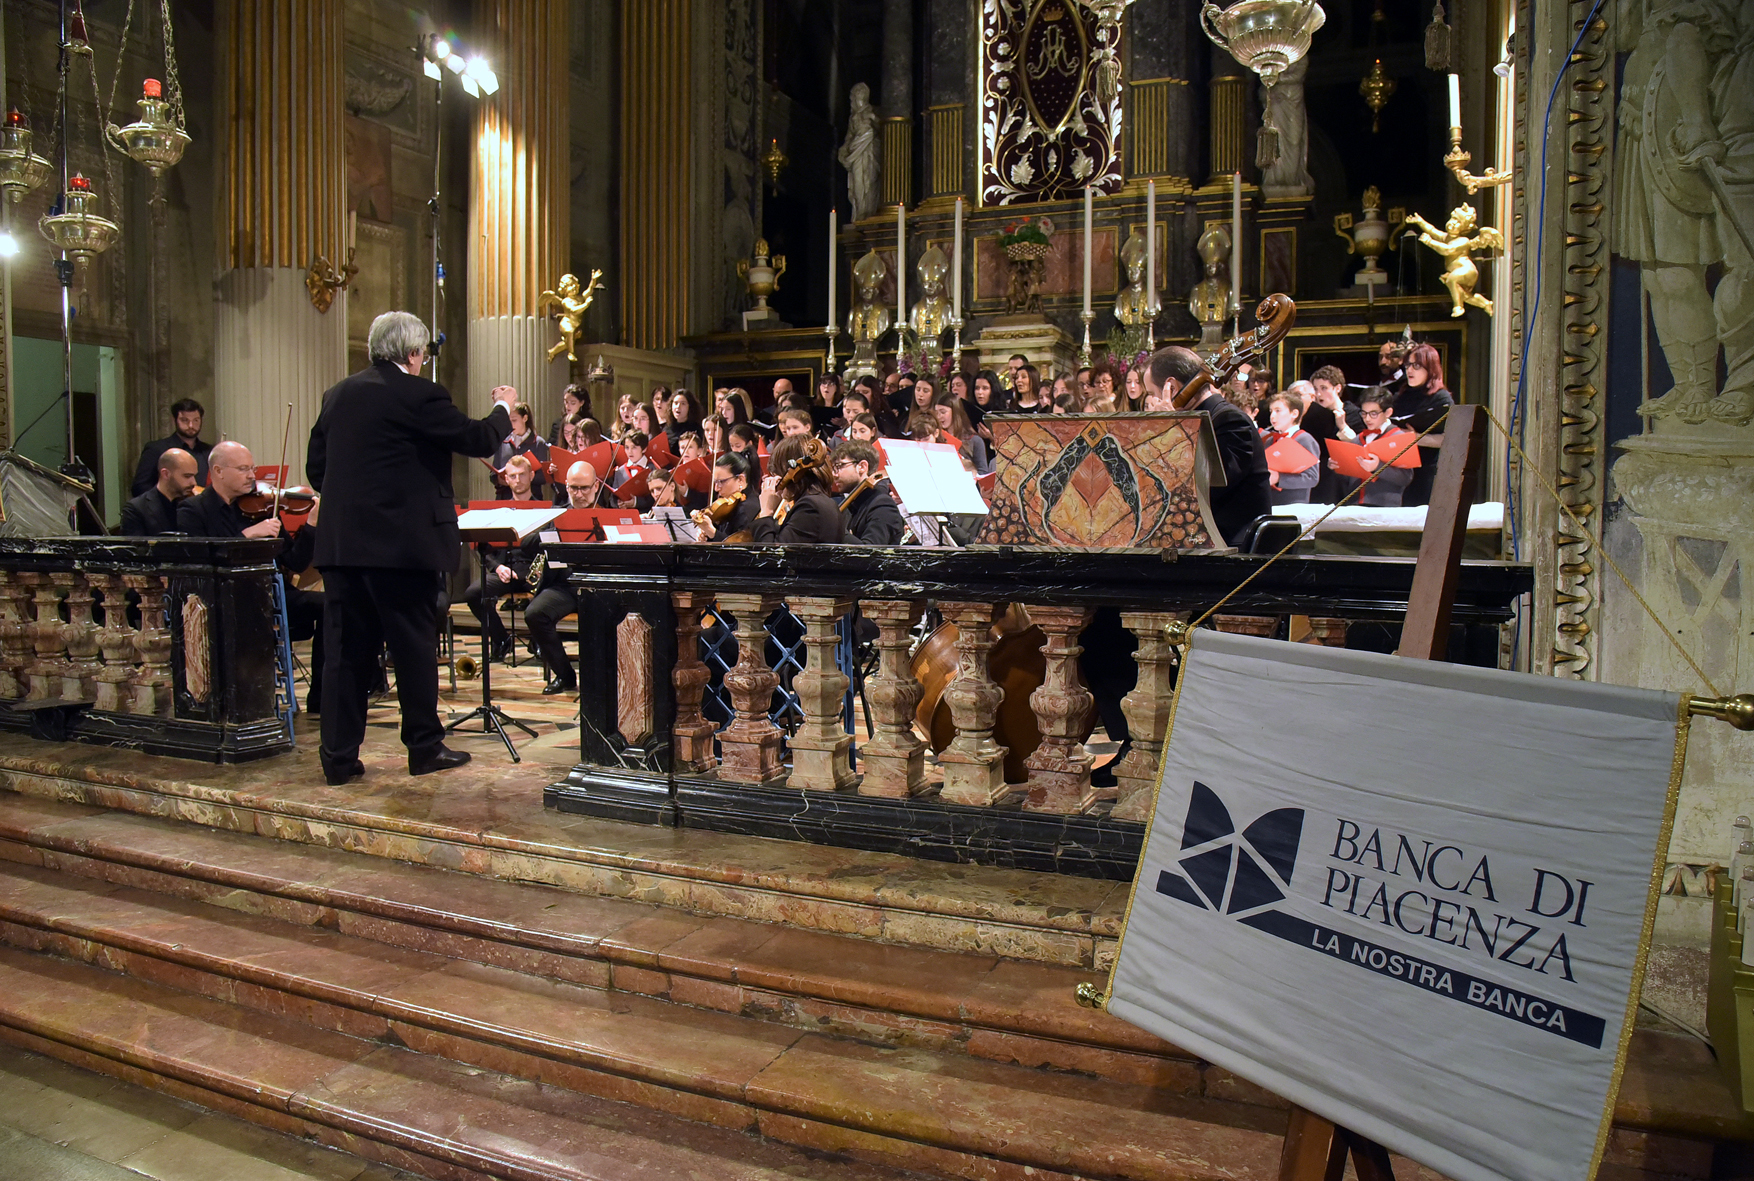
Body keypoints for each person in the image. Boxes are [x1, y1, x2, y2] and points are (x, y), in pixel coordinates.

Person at [307, 309, 516, 785]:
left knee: (344, 654)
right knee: (413, 648)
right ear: (415, 352)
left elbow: (317, 468)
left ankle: (338, 759)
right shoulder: (420, 393)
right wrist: (504, 408)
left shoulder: (337, 394)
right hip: (402, 550)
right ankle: (424, 748)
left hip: (342, 548)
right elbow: (477, 437)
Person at [178, 440, 325, 713]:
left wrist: (312, 525)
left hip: (272, 595)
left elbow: (295, 561)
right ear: (218, 471)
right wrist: (245, 536)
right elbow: (199, 560)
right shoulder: (193, 510)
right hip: (225, 602)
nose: (251, 476)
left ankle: (321, 696)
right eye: (243, 469)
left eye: (252, 469)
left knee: (332, 605)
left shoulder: (261, 507)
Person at [1146, 347, 1270, 546]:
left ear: (1172, 388)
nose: (1152, 403)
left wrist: (1171, 427)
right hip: (1196, 539)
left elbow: (1206, 487)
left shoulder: (1229, 420)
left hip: (1231, 543)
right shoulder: (1201, 418)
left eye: (1153, 394)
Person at [464, 455, 541, 663]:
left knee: (549, 592)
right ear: (506, 479)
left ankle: (539, 640)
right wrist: (497, 567)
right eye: (512, 476)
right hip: (505, 570)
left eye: (522, 475)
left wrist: (536, 571)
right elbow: (483, 547)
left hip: (534, 572)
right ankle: (501, 639)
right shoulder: (498, 512)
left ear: (532, 475)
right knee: (474, 593)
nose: (518, 480)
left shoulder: (544, 510)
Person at [751, 434, 849, 544]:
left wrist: (766, 511)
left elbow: (770, 553)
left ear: (788, 471)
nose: (776, 480)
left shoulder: (810, 507)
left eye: (777, 474)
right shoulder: (818, 501)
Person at [1389, 344, 1454, 507]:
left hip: (1428, 470)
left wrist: (1416, 438)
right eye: (1407, 365)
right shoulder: (1400, 396)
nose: (1409, 370)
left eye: (1416, 366)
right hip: (1401, 469)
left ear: (1430, 368)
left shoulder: (1441, 398)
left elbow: (1451, 439)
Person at [1340, 393, 1415, 507]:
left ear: (1388, 412)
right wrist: (1340, 466)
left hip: (1385, 506)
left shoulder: (1399, 438)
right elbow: (1349, 479)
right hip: (1355, 504)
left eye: (1373, 414)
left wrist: (1377, 467)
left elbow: (1406, 477)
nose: (1367, 419)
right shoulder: (1357, 439)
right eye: (1364, 413)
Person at [1305, 365, 1362, 504]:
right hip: (1319, 478)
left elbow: (1359, 445)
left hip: (1341, 481)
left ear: (1337, 388)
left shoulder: (1353, 413)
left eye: (1324, 388)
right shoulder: (1312, 416)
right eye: (1316, 389)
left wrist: (1342, 426)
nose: (1319, 394)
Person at [131, 398, 212, 496]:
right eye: (185, 420)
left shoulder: (209, 451)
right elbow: (140, 487)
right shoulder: (156, 449)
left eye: (196, 420)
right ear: (174, 420)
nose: (191, 425)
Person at [832, 440, 906, 544]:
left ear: (862, 467)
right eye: (833, 468)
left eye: (839, 466)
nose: (834, 474)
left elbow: (870, 551)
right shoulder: (851, 504)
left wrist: (835, 529)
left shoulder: (883, 505)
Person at [121, 446, 197, 536]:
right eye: (187, 476)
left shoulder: (194, 505)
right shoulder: (136, 509)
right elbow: (137, 544)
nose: (194, 482)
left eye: (194, 476)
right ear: (166, 474)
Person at [1261, 392, 1321, 505]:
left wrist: (1279, 478)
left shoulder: (1304, 439)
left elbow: (1312, 477)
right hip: (1270, 502)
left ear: (1294, 414)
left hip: (1294, 504)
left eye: (1278, 410)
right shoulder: (1270, 440)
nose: (1272, 416)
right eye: (1271, 411)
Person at [693, 452, 760, 542]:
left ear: (740, 480)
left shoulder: (748, 509)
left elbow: (739, 547)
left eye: (722, 481)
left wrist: (712, 532)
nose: (716, 488)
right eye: (715, 482)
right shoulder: (729, 505)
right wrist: (706, 535)